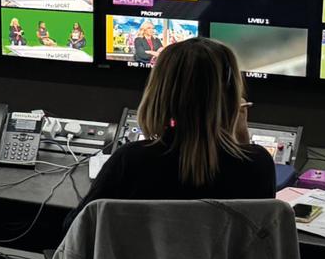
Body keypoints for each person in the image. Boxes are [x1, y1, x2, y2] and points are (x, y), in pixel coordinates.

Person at [83, 37, 276, 205]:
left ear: (159, 94)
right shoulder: (258, 163)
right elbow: (258, 233)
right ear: (232, 98)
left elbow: (76, 230)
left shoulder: (130, 160)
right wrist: (241, 139)